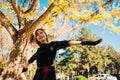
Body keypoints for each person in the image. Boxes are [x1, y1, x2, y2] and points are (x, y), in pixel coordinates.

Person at [22, 28, 102, 80]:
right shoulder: (38, 50)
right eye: (37, 35)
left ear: (45, 34)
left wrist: (91, 43)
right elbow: (31, 59)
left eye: (41, 33)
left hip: (50, 73)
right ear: (37, 39)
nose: (39, 35)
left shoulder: (54, 44)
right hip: (38, 74)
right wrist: (25, 67)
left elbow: (69, 42)